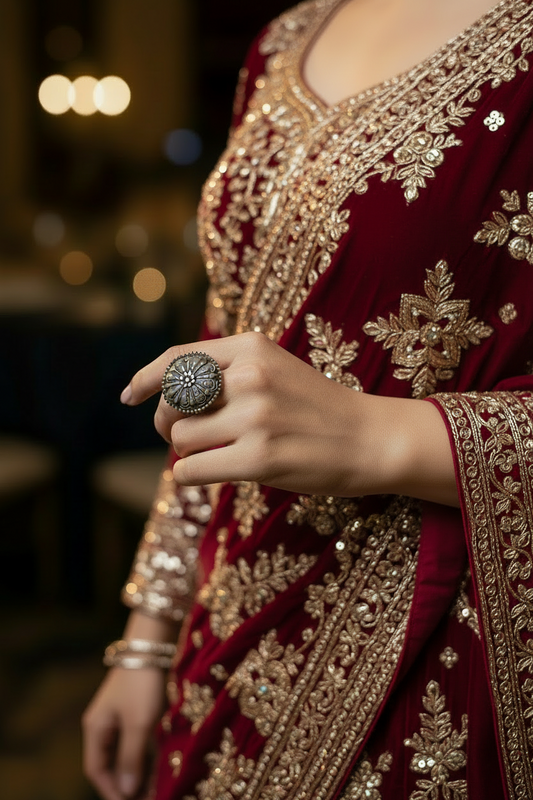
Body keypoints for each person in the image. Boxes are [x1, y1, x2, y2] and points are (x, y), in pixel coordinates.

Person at [83, 1, 533, 798]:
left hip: (428, 652)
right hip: (224, 630)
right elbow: (219, 358)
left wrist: (380, 438)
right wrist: (148, 636)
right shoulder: (288, 37)